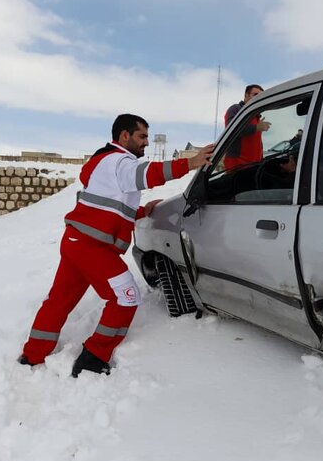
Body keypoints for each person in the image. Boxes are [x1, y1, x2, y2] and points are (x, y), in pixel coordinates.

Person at [19, 114, 214, 377]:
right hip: (92, 247)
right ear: (124, 136)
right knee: (126, 296)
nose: (146, 142)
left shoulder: (104, 163)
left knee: (59, 301)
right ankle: (94, 356)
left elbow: (110, 207)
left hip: (77, 241)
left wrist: (142, 210)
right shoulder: (119, 161)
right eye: (142, 136)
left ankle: (33, 355)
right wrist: (189, 163)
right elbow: (148, 174)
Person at [223, 84, 271, 170]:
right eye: (255, 95)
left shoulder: (256, 115)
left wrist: (261, 160)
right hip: (237, 165)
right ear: (246, 95)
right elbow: (231, 131)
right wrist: (256, 127)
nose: (259, 98)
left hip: (255, 165)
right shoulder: (235, 109)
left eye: (261, 96)